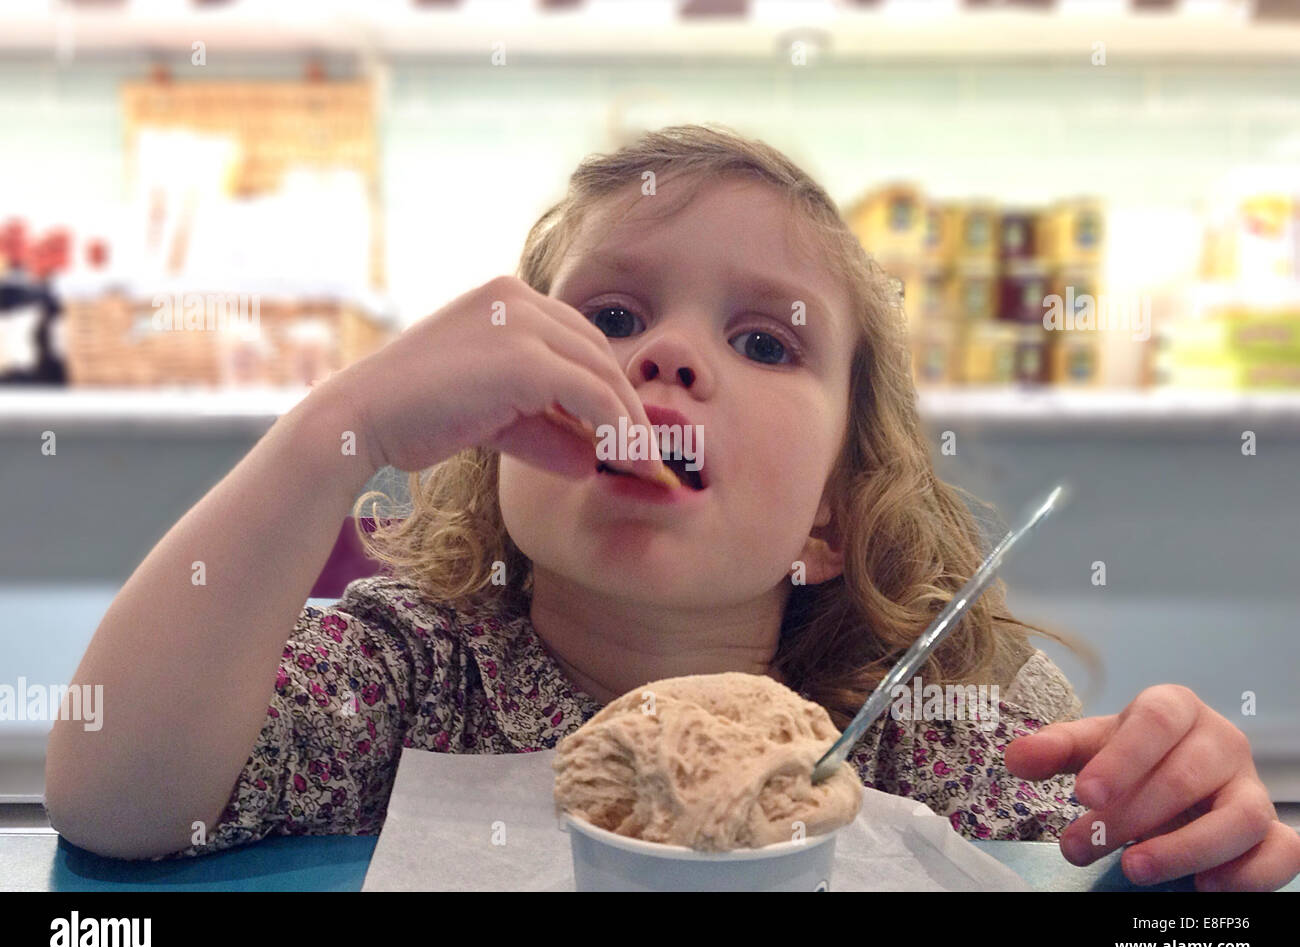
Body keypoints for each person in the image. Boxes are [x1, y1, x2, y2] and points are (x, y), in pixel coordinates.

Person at [44, 124, 1300, 890]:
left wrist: (1185, 815)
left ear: (827, 515)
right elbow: (115, 801)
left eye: (762, 340)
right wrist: (338, 427)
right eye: (609, 320)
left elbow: (1125, 859)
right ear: (493, 445)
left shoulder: (937, 721)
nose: (670, 360)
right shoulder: (411, 671)